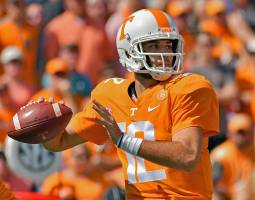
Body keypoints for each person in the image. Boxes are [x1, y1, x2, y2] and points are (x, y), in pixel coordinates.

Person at [33, 8, 219, 199]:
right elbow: (59, 142)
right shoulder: (110, 95)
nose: (165, 53)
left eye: (168, 45)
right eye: (154, 46)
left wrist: (124, 140)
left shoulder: (188, 88)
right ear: (129, 51)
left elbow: (187, 155)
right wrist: (44, 124)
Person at [211, 113, 255, 200]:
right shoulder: (219, 155)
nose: (242, 137)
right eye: (239, 132)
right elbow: (213, 185)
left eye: (245, 132)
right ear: (229, 133)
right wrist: (234, 191)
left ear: (252, 133)